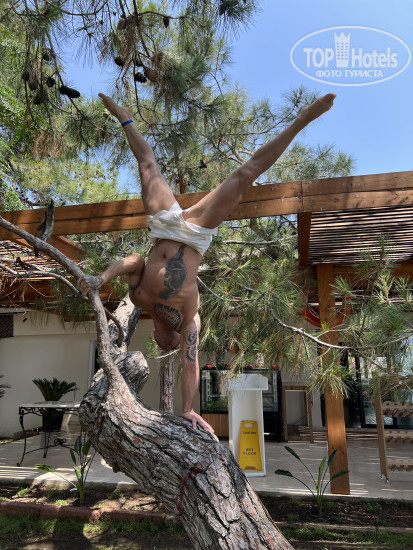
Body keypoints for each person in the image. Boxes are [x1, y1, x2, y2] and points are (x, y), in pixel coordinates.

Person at [79, 92, 336, 433]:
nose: (167, 347)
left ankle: (125, 116)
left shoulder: (139, 299)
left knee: (149, 166)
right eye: (169, 348)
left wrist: (100, 278)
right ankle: (302, 119)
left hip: (165, 228)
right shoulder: (189, 321)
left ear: (158, 337)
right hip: (195, 234)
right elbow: (191, 362)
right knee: (243, 175)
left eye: (164, 347)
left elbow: (135, 260)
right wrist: (188, 408)